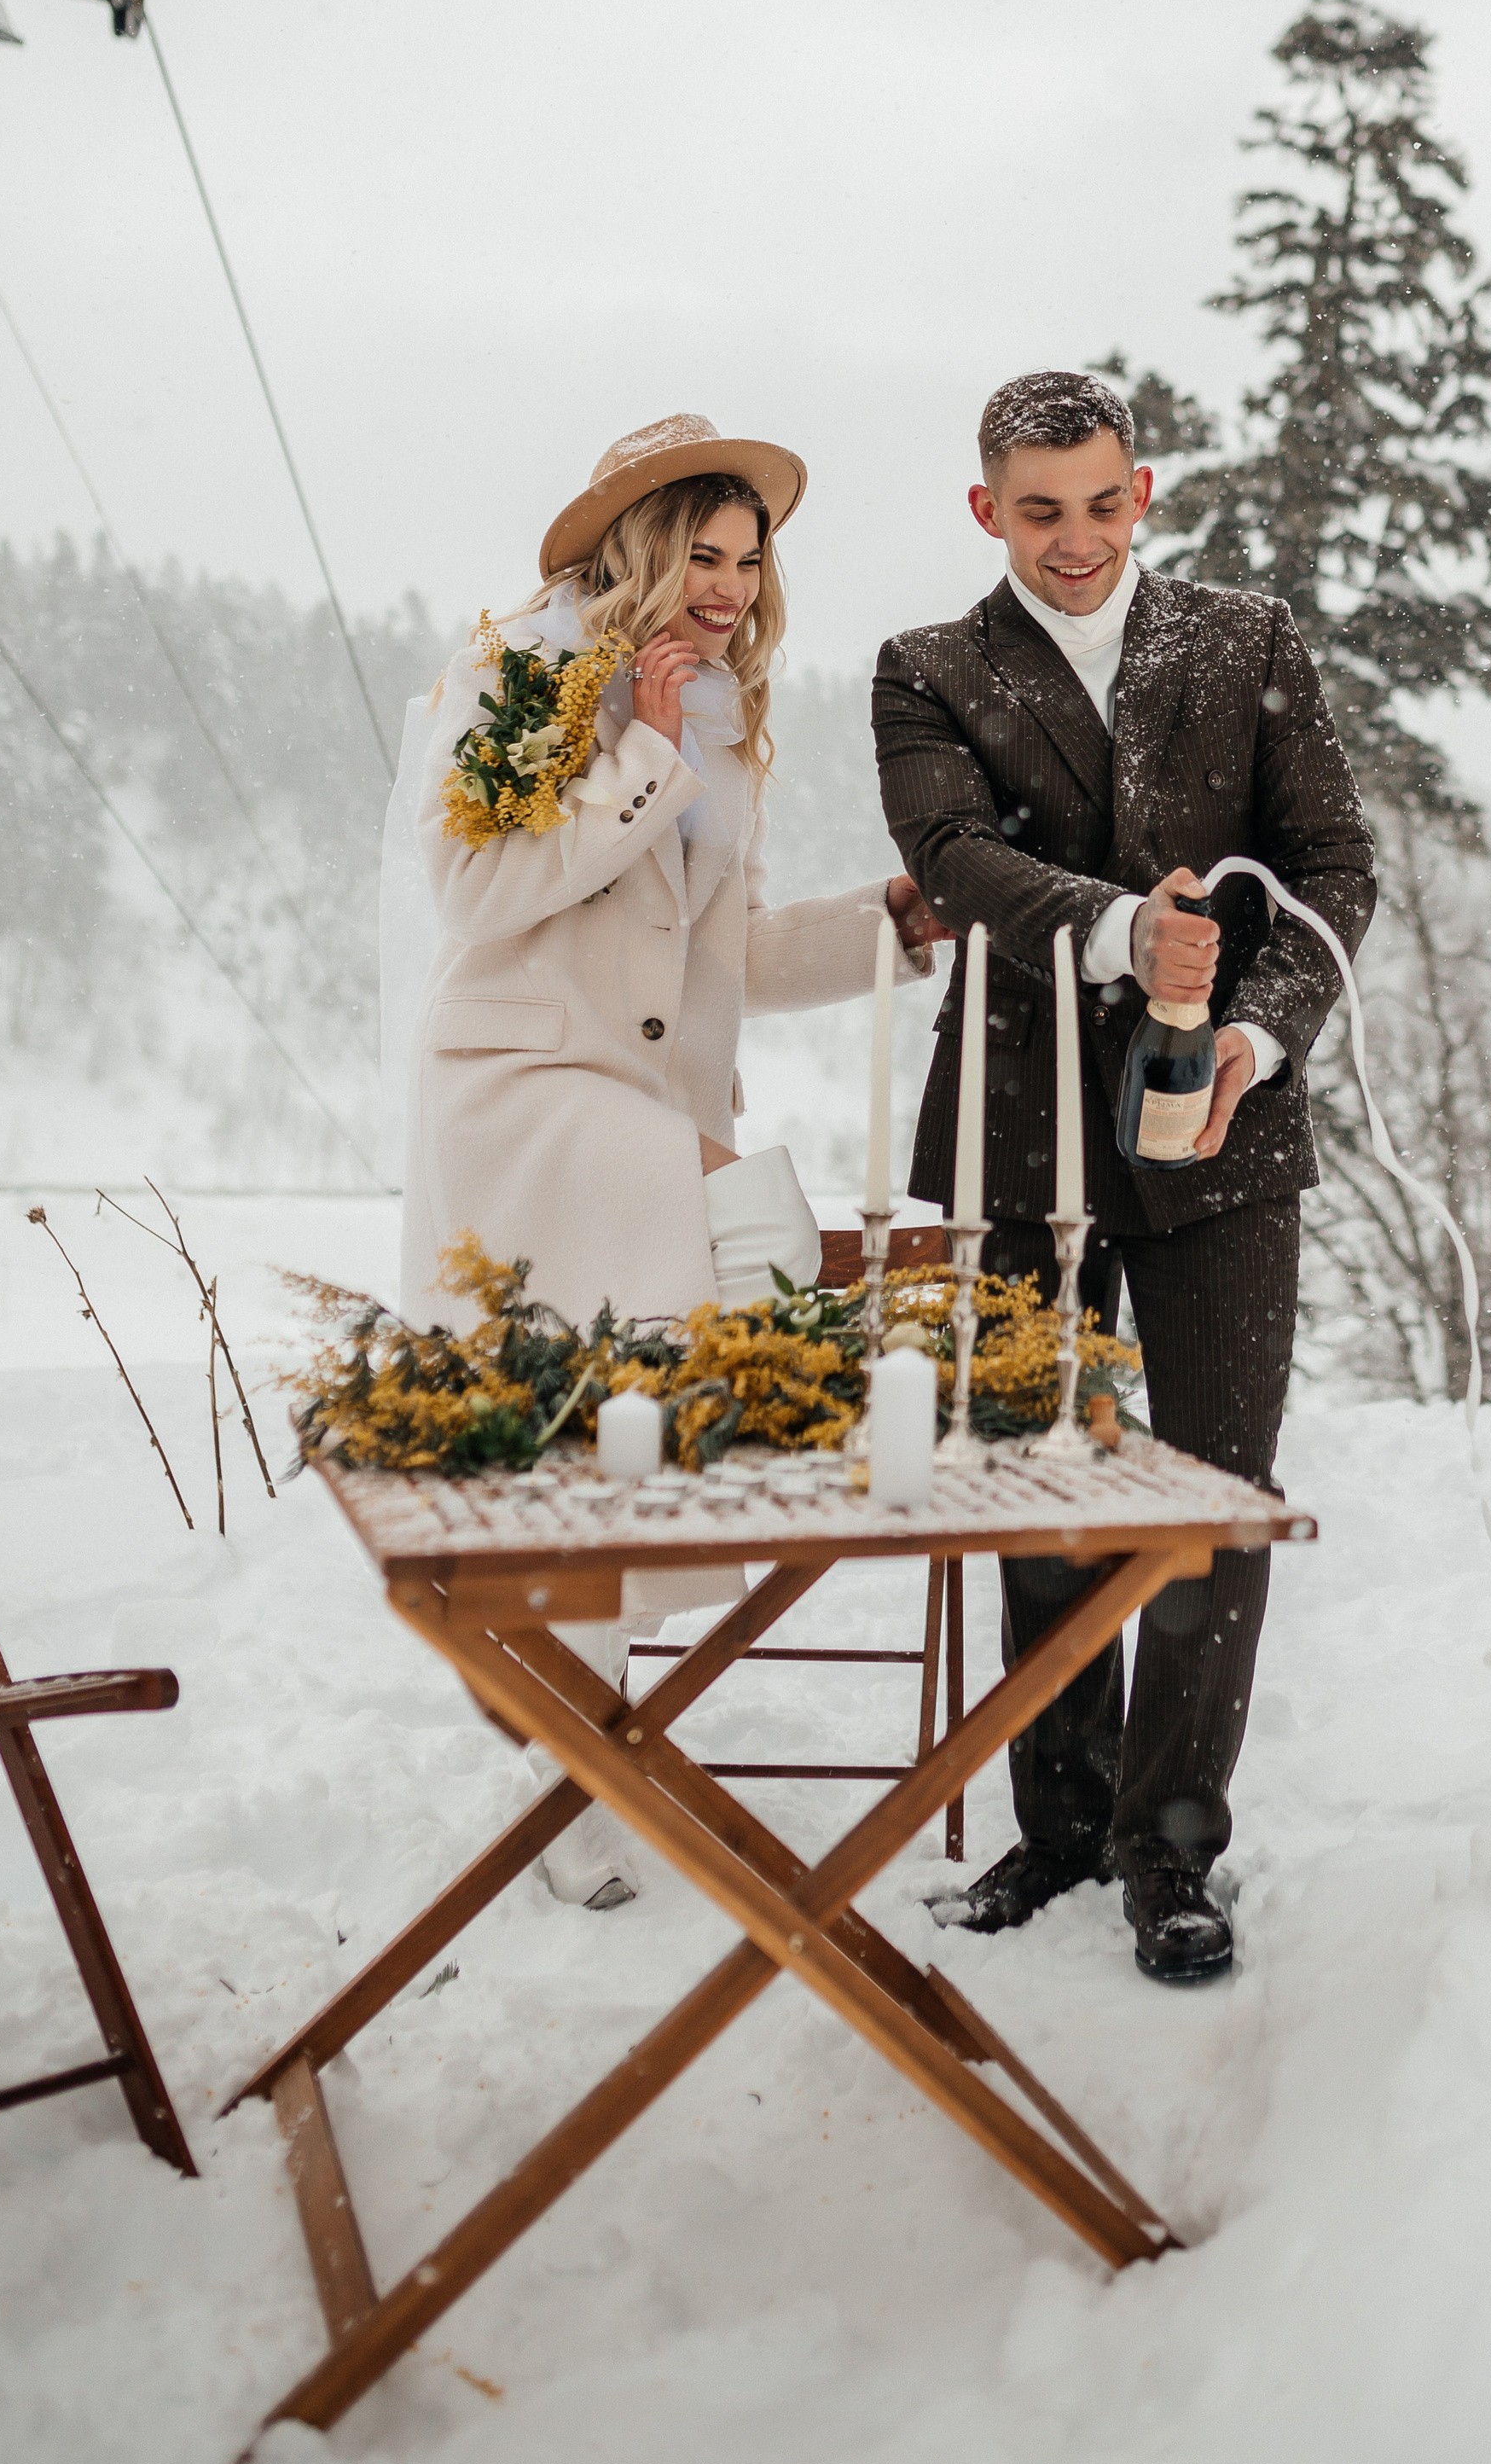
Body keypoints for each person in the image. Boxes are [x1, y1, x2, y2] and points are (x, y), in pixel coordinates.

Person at [396, 412, 943, 1903]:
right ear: (637, 552)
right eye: (703, 554)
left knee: (602, 1430)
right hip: (520, 1090)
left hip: (636, 1099)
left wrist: (888, 929)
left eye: (749, 562)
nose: (729, 588)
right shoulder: (517, 674)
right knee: (747, 1224)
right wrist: (631, 751)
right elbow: (473, 894)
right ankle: (580, 1707)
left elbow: (731, 956)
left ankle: (570, 1754)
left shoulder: (721, 721)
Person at [873, 368, 1375, 1980]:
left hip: (1223, 1137)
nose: (1075, 539)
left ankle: (1171, 1848)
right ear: (987, 510)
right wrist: (1113, 930)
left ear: (1142, 491)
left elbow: (1335, 866)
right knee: (1039, 1491)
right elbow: (954, 859)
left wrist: (1257, 1038)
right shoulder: (928, 670)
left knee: (1216, 1498)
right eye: (1039, 512)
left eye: (1102, 503)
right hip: (1017, 1134)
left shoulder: (1246, 641)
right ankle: (1062, 1822)